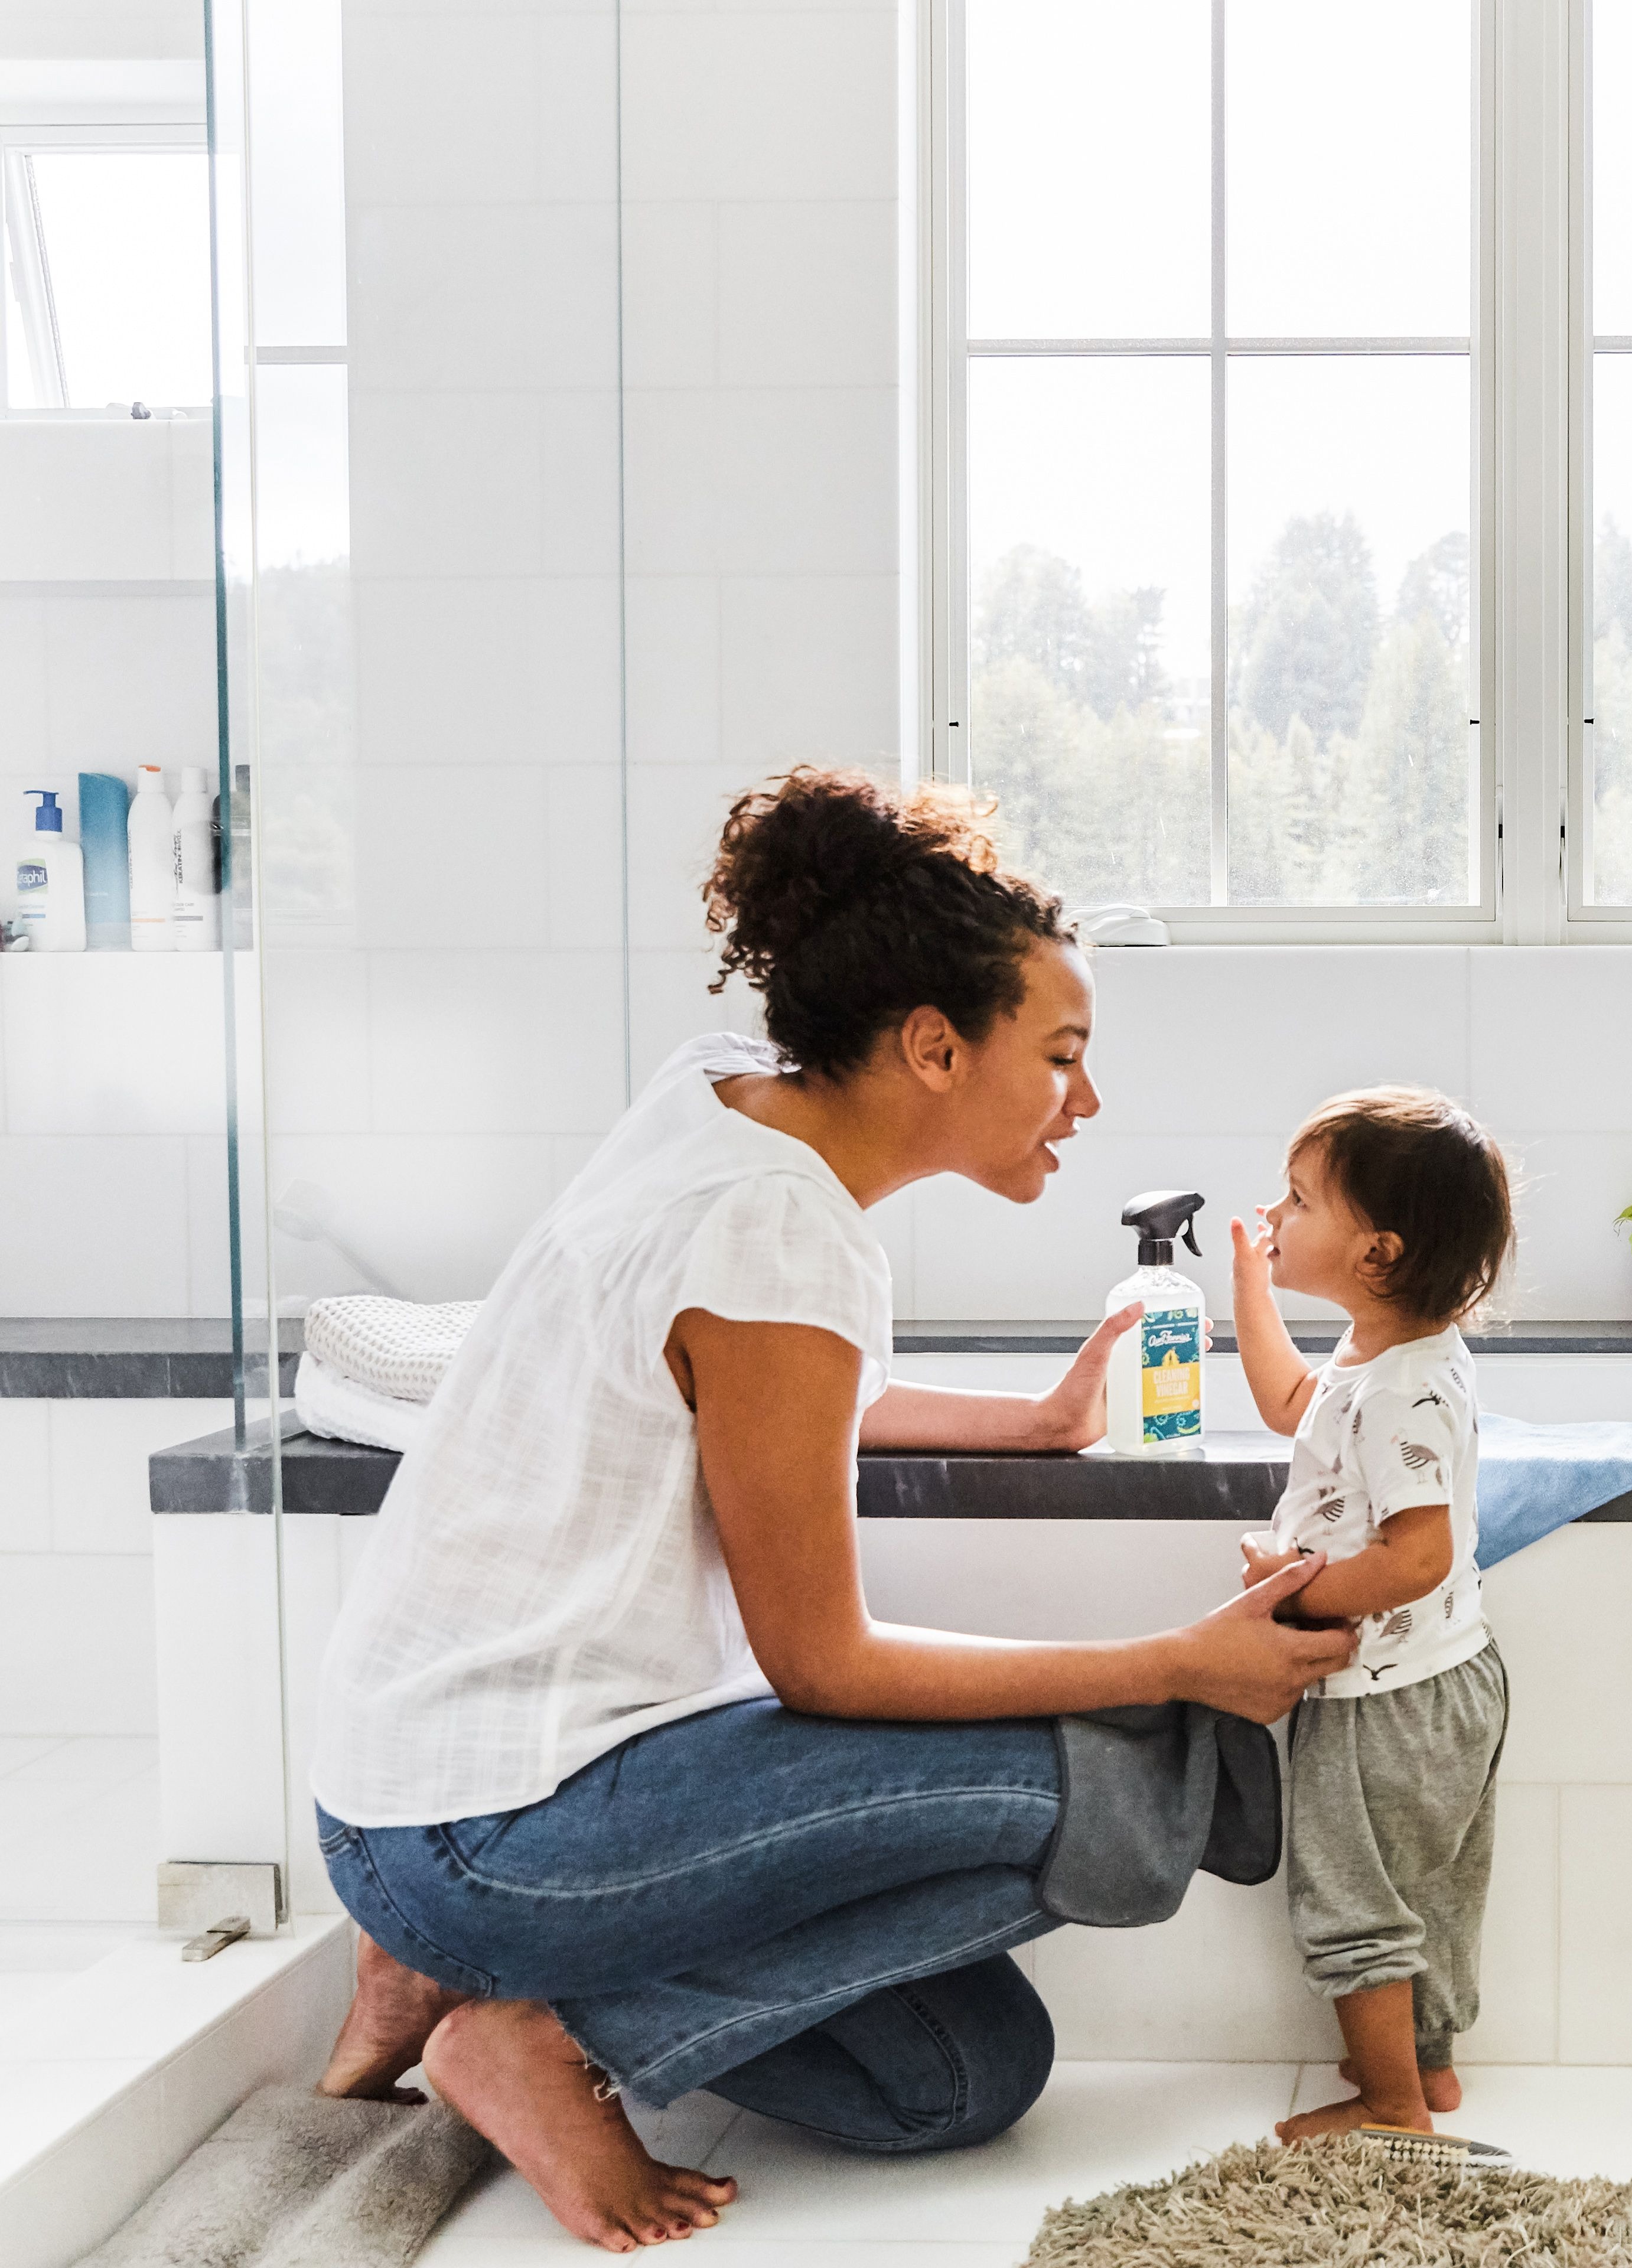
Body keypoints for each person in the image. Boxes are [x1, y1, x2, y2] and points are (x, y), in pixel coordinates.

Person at [303, 768, 1356, 2253]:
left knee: (963, 2079)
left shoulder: (722, 1100)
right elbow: (827, 1667)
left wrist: (1039, 1423)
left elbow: (745, 1390)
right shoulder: (779, 1227)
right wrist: (1177, 1660)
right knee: (1117, 1781)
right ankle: (528, 2034)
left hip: (426, 1792)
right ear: (933, 1047)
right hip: (495, 1825)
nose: (1089, 1100)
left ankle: (463, 1983)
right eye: (1062, 1055)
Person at [1226, 1089, 1516, 2143]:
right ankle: (1427, 2072)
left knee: (1355, 1903)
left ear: (1379, 1255)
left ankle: (1391, 2108)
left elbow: (1417, 1555)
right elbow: (1287, 1403)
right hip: (1441, 1680)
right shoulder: (1383, 1362)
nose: (1275, 1212)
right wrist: (1252, 1288)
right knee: (1424, 1895)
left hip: (1381, 1699)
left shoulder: (1401, 1392)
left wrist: (1292, 1584)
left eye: (1298, 1201)